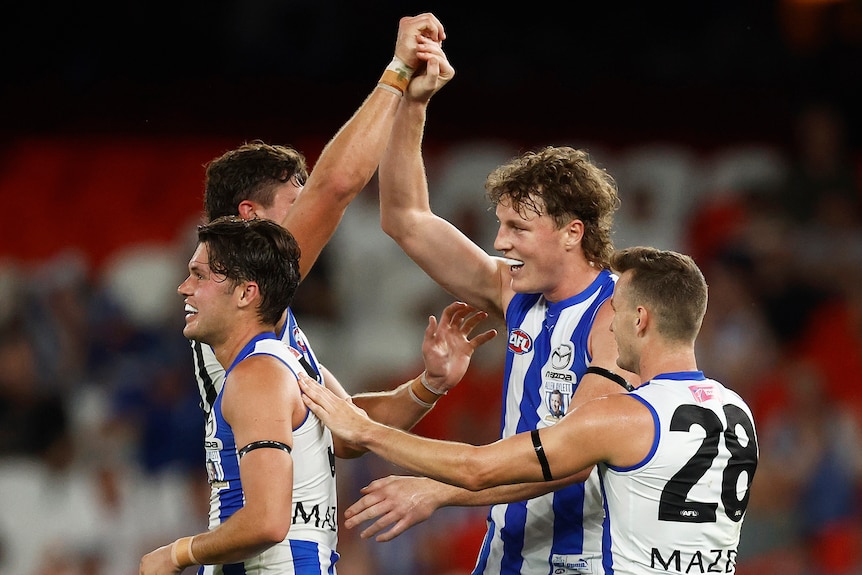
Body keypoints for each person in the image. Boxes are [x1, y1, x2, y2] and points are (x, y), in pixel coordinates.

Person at [300, 246, 760, 575]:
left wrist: (366, 430)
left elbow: (482, 467)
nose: (608, 322)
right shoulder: (738, 410)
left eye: (614, 309)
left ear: (640, 319)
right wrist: (437, 492)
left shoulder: (621, 417)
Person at [357, 47, 637, 574]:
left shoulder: (619, 315)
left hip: (587, 559)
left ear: (572, 232)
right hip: (505, 552)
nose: (500, 242)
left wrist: (439, 491)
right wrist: (413, 105)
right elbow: (405, 218)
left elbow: (575, 460)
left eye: (518, 229)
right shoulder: (513, 291)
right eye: (501, 224)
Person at [140, 216, 495, 574]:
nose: (184, 287)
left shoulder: (256, 375)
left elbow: (266, 521)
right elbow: (353, 430)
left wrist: (177, 554)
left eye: (200, 275)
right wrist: (429, 385)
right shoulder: (292, 362)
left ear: (246, 293)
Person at [192, 14, 464, 463]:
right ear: (249, 215)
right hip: (273, 535)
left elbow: (348, 431)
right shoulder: (233, 278)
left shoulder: (267, 313)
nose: (311, 214)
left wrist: (428, 384)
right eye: (297, 202)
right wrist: (397, 69)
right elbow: (336, 187)